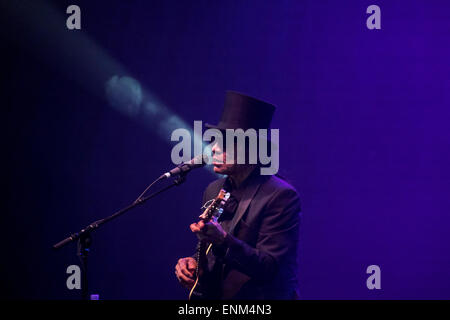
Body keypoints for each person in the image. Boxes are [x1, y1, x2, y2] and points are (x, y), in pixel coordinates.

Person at [175, 91, 301, 299]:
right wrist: (192, 264)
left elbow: (269, 268)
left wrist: (223, 240)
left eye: (223, 143)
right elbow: (207, 252)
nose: (213, 149)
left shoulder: (281, 196)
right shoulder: (213, 190)